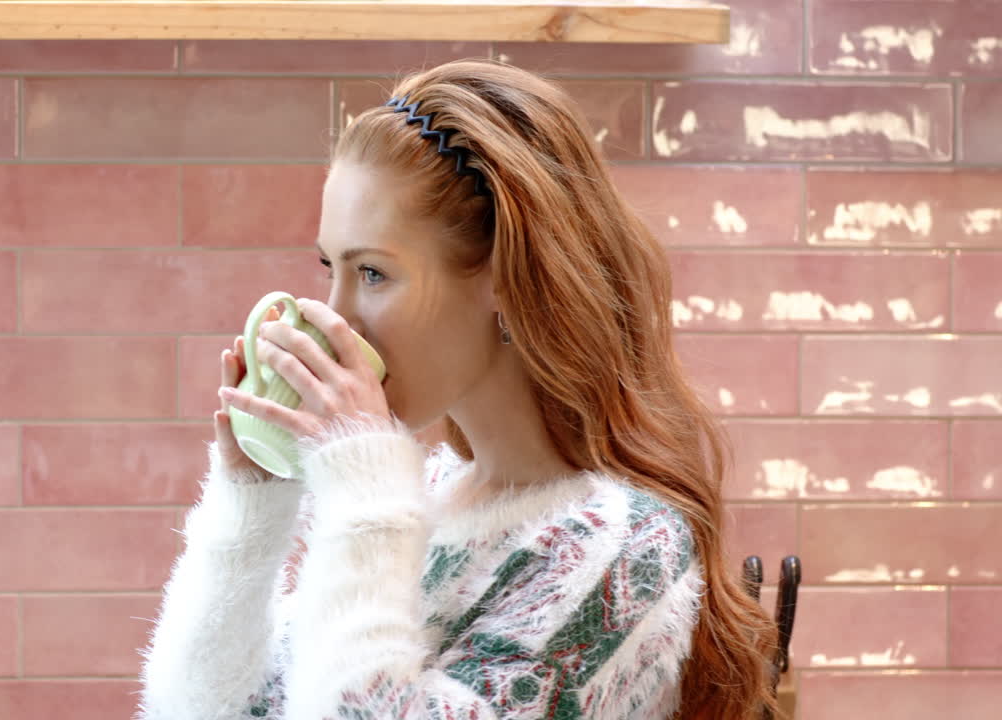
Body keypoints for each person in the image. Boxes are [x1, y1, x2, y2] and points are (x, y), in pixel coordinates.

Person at [136, 58, 781, 720]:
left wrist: (366, 491)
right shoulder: (426, 501)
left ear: (505, 276)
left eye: (375, 274)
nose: (335, 317)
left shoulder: (621, 547)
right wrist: (254, 506)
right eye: (331, 268)